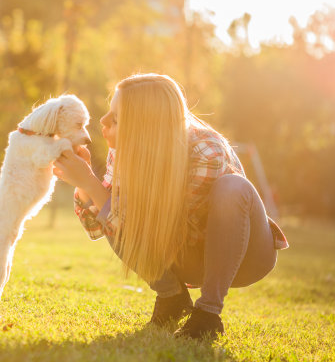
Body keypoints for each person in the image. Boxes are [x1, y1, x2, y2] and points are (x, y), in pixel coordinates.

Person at [53, 73, 288, 340]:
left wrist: (93, 186)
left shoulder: (205, 152)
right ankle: (172, 298)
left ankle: (208, 314)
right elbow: (105, 226)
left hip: (243, 256)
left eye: (116, 119)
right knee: (112, 208)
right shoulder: (123, 153)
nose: (103, 122)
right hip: (185, 255)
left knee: (233, 187)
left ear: (147, 128)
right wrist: (84, 183)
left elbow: (175, 227)